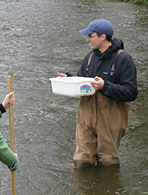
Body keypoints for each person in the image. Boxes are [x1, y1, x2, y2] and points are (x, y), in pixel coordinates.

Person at [58, 19, 137, 167]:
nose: (87, 39)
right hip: (86, 114)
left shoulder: (123, 59)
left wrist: (105, 86)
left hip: (110, 116)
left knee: (108, 161)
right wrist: (69, 79)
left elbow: (131, 92)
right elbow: (83, 81)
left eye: (91, 36)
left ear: (103, 37)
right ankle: (85, 189)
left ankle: (108, 189)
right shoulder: (89, 57)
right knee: (81, 160)